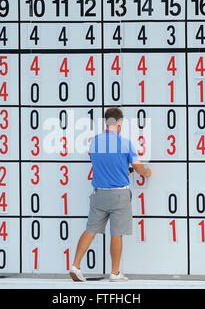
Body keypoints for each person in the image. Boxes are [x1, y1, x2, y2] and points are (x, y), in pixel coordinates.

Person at [69, 107, 152, 282]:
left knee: (90, 230)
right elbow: (137, 167)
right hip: (119, 195)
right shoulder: (125, 143)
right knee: (117, 233)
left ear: (106, 122)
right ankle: (115, 273)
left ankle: (75, 265)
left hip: (99, 194)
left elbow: (102, 164)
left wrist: (121, 169)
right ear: (120, 124)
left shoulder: (94, 142)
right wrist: (146, 172)